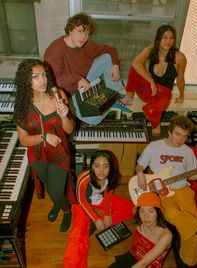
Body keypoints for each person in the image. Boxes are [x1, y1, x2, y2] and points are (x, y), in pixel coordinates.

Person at [135, 115, 197, 267]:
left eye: (184, 137)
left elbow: (193, 174)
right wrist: (140, 174)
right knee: (173, 214)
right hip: (162, 191)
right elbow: (139, 166)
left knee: (193, 236)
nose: (180, 140)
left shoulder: (187, 152)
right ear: (169, 132)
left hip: (183, 190)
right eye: (177, 134)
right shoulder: (154, 147)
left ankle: (188, 262)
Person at [13, 59, 75, 232]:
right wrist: (44, 136)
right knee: (49, 187)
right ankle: (58, 204)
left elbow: (69, 130)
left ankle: (67, 211)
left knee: (56, 191)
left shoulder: (58, 94)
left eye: (44, 75)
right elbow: (24, 140)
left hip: (59, 153)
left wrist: (64, 115)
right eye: (35, 77)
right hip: (38, 155)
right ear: (26, 81)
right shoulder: (21, 106)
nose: (43, 80)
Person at [44, 12, 123, 125]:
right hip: (68, 90)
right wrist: (77, 79)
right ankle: (103, 102)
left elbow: (110, 50)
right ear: (70, 29)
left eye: (87, 33)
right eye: (80, 31)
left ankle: (114, 95)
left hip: (84, 78)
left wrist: (116, 65)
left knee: (107, 58)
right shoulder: (54, 51)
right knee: (94, 120)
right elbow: (52, 82)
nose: (83, 37)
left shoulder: (86, 44)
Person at [63, 150, 134, 268]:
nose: (101, 171)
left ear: (110, 167)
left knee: (132, 209)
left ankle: (93, 226)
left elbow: (108, 194)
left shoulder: (112, 177)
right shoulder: (83, 177)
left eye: (106, 166)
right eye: (97, 166)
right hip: (81, 204)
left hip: (99, 199)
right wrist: (95, 218)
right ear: (92, 166)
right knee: (77, 238)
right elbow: (81, 201)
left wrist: (107, 214)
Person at [120, 24, 186, 136]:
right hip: (148, 90)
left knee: (149, 111)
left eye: (171, 38)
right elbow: (136, 63)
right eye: (165, 37)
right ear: (158, 39)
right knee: (136, 66)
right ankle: (129, 98)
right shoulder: (150, 51)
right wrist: (151, 81)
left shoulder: (180, 57)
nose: (168, 41)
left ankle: (156, 123)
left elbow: (180, 80)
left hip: (163, 95)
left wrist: (181, 96)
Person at [108, 192, 172, 268]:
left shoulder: (166, 236)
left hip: (150, 264)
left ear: (158, 212)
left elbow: (144, 263)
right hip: (133, 255)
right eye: (142, 211)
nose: (146, 216)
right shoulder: (140, 224)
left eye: (151, 211)